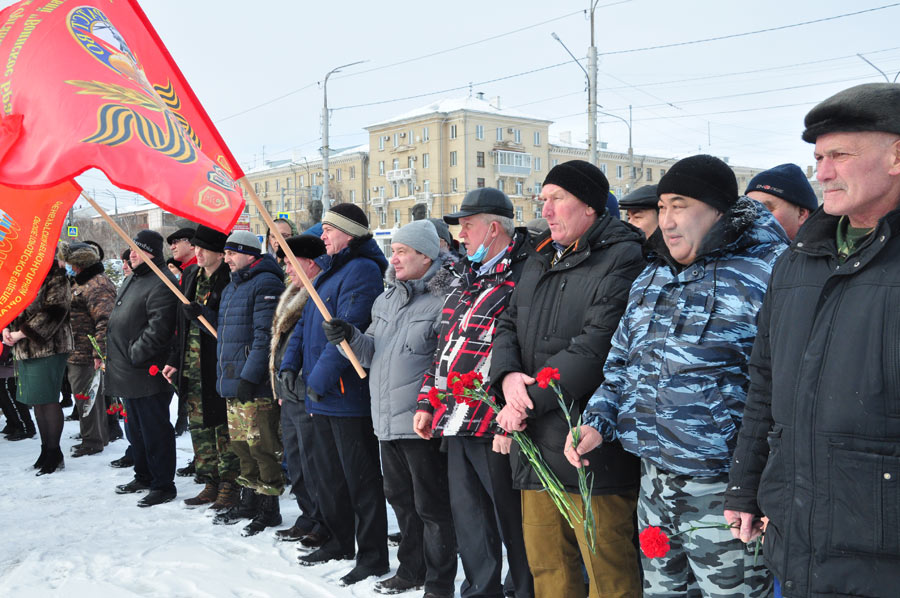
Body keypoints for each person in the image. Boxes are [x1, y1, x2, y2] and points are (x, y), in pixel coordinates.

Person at [567, 155, 787, 597]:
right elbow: (621, 366)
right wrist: (596, 421)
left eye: (680, 205)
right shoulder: (652, 276)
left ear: (719, 209)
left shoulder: (768, 274)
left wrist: (762, 486)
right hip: (654, 487)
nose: (666, 220)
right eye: (662, 206)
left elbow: (783, 392)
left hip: (726, 495)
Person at [724, 82, 900, 598]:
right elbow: (765, 384)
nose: (821, 173)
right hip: (796, 538)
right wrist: (746, 486)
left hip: (881, 555)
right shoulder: (798, 261)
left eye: (840, 155)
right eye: (818, 157)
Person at [491, 160, 646, 598]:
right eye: (543, 200)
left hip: (588, 445)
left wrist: (524, 400)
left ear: (591, 207)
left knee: (607, 571)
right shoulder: (540, 255)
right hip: (534, 440)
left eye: (557, 198)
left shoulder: (622, 257)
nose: (547, 209)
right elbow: (507, 323)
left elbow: (596, 346)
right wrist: (505, 380)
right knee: (548, 568)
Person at [323, 220, 458, 598]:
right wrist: (348, 336)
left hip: (421, 422)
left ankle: (439, 581)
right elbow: (370, 355)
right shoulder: (386, 299)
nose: (393, 258)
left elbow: (446, 363)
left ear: (425, 256)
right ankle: (411, 570)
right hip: (384, 420)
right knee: (400, 500)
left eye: (402, 251)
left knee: (431, 506)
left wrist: (431, 407)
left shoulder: (447, 298)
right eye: (393, 250)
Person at [413, 188, 534, 598]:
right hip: (455, 420)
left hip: (496, 425)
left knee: (512, 526)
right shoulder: (467, 278)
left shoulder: (525, 275)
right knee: (471, 524)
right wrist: (428, 401)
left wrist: (511, 417)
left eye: (467, 226)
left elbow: (525, 355)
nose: (461, 235)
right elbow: (444, 348)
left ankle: (522, 591)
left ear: (493, 227)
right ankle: (481, 592)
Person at [279, 203, 390, 586]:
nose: (322, 236)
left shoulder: (361, 271)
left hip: (345, 394)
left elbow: (348, 332)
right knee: (329, 477)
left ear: (349, 233)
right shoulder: (329, 271)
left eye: (328, 229)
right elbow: (305, 326)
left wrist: (319, 381)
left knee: (360, 480)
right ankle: (341, 541)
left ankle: (373, 555)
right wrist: (290, 367)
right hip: (321, 396)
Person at [210, 230, 285, 536]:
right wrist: (203, 314)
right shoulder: (233, 286)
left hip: (253, 384)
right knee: (241, 446)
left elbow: (263, 337)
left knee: (262, 446)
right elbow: (230, 331)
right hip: (233, 380)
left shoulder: (266, 282)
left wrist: (249, 376)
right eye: (225, 253)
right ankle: (249, 497)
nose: (226, 258)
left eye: (231, 253)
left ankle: (270, 506)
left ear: (249, 254)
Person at [163, 226, 240, 511]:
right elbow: (180, 326)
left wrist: (205, 313)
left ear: (220, 253)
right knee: (199, 426)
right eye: (195, 248)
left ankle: (230, 485)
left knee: (222, 429)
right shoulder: (192, 276)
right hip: (191, 366)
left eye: (204, 249)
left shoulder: (229, 279)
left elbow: (230, 324)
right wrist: (174, 359)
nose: (197, 253)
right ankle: (210, 481)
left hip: (216, 366)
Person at [106, 230, 179, 506]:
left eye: (136, 250)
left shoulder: (161, 282)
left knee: (154, 429)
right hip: (128, 370)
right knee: (135, 428)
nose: (130, 255)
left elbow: (158, 330)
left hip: (146, 370)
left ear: (151, 252)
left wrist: (134, 353)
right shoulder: (135, 278)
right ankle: (143, 474)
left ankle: (163, 484)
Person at [269, 234, 330, 546]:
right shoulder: (294, 292)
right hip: (289, 391)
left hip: (309, 391)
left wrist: (304, 381)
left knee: (312, 460)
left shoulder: (320, 294)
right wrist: (281, 381)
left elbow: (316, 345)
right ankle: (307, 514)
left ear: (310, 263)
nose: (287, 269)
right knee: (295, 459)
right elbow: (284, 345)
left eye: (292, 263)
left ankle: (323, 520)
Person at [2, 251, 73, 475]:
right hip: (25, 349)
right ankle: (46, 450)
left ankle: (54, 452)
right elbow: (11, 304)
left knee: (48, 400)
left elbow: (54, 311)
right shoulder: (24, 276)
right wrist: (5, 326)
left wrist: (21, 334)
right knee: (37, 402)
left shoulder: (57, 277)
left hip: (49, 347)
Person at [65, 242, 116, 458]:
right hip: (77, 349)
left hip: (86, 352)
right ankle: (95, 436)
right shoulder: (82, 281)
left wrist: (98, 353)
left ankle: (93, 440)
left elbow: (105, 322)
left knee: (87, 397)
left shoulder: (97, 285)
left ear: (80, 263)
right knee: (86, 397)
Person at [744, 163, 817, 241]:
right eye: (748, 209)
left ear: (801, 214)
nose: (753, 217)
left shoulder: (827, 251)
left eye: (765, 209)